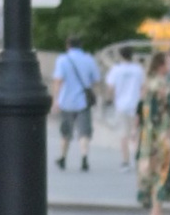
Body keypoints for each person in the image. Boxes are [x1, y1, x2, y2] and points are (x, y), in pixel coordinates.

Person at [136, 54, 170, 215]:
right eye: (168, 62)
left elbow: (142, 110)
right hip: (160, 135)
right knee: (161, 172)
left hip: (149, 134)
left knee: (154, 172)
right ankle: (156, 213)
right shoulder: (159, 85)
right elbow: (163, 110)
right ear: (161, 65)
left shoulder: (149, 82)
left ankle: (156, 212)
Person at [51, 35, 100, 171]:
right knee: (84, 131)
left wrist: (55, 100)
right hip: (83, 101)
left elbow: (58, 81)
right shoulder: (89, 59)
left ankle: (63, 157)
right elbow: (96, 80)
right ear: (81, 45)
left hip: (66, 101)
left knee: (66, 131)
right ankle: (84, 157)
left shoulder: (62, 60)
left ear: (68, 45)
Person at [105, 46, 145, 167]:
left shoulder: (116, 70)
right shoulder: (138, 69)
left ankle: (125, 160)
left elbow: (110, 87)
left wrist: (108, 100)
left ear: (120, 55)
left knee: (123, 134)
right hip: (136, 103)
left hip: (121, 105)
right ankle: (138, 157)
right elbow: (143, 87)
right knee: (137, 132)